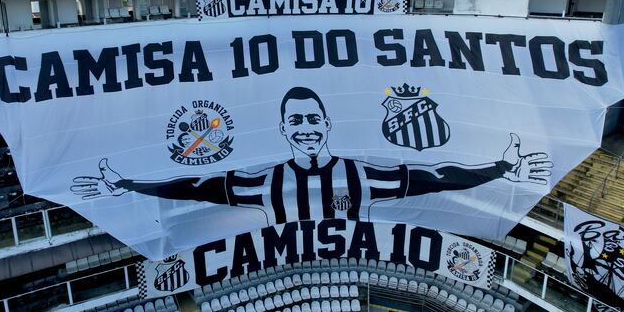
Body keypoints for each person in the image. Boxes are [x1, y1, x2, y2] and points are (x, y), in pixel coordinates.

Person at [71, 87, 552, 225]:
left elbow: (438, 176)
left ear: (326, 124)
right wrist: (127, 183)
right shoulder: (260, 182)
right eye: (295, 122)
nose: (305, 128)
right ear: (283, 129)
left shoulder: (363, 174)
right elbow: (190, 187)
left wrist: (500, 167)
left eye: (312, 120)